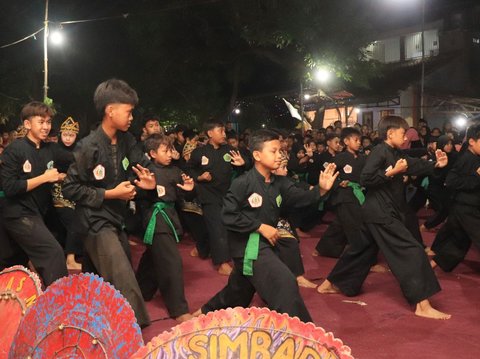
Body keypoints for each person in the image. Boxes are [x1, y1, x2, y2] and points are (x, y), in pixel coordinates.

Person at [193, 129, 338, 322]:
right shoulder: (243, 183)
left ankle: (206, 312)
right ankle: (302, 336)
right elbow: (228, 215)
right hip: (248, 247)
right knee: (284, 282)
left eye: (281, 151)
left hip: (267, 244)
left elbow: (300, 197)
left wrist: (321, 190)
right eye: (274, 151)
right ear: (257, 155)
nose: (280, 155)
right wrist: (259, 226)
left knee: (238, 292)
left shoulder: (279, 182)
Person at [318, 115, 451, 320]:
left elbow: (413, 164)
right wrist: (392, 173)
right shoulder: (380, 151)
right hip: (380, 212)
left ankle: (329, 284)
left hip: (378, 211)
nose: (406, 137)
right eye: (402, 133)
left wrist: (436, 164)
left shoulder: (396, 152)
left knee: (361, 250)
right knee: (412, 251)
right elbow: (366, 178)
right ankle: (422, 305)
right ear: (390, 133)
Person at [62, 79, 155, 327]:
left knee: (96, 280)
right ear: (110, 110)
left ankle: (87, 323)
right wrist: (110, 194)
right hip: (94, 221)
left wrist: (147, 181)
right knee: (124, 280)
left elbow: (142, 167)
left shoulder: (127, 141)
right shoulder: (88, 146)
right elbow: (70, 188)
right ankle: (137, 332)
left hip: (117, 220)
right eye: (128, 111)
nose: (131, 117)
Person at [1, 101, 68, 286]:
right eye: (41, 122)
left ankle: (16, 310)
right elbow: (10, 187)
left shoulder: (49, 149)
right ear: (28, 124)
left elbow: (73, 158)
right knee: (53, 253)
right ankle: (61, 307)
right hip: (17, 214)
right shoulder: (15, 149)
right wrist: (44, 177)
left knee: (13, 264)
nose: (46, 126)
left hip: (36, 213)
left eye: (48, 122)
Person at [135, 134, 194, 323]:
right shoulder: (146, 171)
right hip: (156, 217)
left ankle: (141, 291)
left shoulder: (176, 171)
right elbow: (137, 194)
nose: (170, 154)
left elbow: (183, 195)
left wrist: (190, 189)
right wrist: (148, 188)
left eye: (171, 150)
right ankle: (179, 309)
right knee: (171, 261)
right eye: (165, 151)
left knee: (154, 256)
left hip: (171, 216)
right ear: (152, 153)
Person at [188, 121, 249, 275]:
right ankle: (222, 262)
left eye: (224, 131)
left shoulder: (230, 150)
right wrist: (199, 177)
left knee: (224, 226)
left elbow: (247, 164)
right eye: (220, 131)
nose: (224, 134)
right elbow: (189, 169)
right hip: (208, 195)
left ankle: (202, 247)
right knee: (217, 227)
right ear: (210, 133)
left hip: (227, 194)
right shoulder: (199, 153)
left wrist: (242, 164)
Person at [430, 124, 480, 272]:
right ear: (472, 141)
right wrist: (476, 176)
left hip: (469, 206)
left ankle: (430, 266)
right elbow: (450, 181)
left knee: (460, 243)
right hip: (465, 207)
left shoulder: (475, 158)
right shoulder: (466, 158)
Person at [315, 127, 366, 258]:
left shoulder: (363, 158)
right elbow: (327, 174)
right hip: (344, 195)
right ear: (346, 141)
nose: (359, 142)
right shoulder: (340, 158)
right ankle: (361, 256)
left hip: (358, 194)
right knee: (354, 224)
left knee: (341, 223)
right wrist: (338, 183)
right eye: (356, 140)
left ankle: (324, 249)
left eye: (360, 140)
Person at [52, 117, 84, 270]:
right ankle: (70, 259)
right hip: (57, 191)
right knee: (71, 221)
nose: (68, 138)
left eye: (71, 135)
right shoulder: (54, 150)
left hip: (75, 191)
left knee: (77, 220)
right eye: (65, 135)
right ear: (60, 134)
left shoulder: (80, 149)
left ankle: (73, 255)